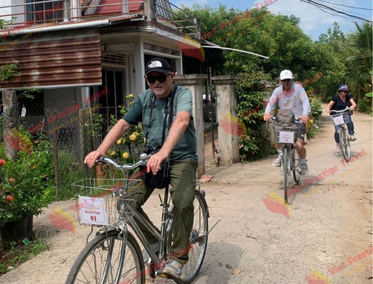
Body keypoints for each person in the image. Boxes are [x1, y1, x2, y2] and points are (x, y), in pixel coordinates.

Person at [84, 57, 198, 278]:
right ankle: (156, 243)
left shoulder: (182, 94)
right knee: (126, 202)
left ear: (171, 76)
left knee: (183, 202)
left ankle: (178, 256)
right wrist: (101, 150)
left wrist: (165, 152)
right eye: (151, 78)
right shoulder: (145, 98)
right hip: (151, 160)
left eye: (161, 77)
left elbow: (182, 120)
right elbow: (124, 123)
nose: (156, 82)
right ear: (146, 79)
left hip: (181, 158)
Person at [263, 70, 311, 175]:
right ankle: (281, 155)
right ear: (281, 81)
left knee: (298, 144)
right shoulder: (277, 91)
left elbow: (305, 102)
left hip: (298, 120)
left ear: (292, 80)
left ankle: (303, 161)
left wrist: (305, 114)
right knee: (277, 135)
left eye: (288, 80)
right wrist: (267, 113)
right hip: (283, 120)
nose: (286, 82)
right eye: (284, 80)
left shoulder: (298, 88)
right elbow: (271, 103)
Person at [326, 84, 357, 152]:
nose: (343, 93)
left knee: (349, 121)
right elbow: (329, 105)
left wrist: (352, 107)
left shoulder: (348, 97)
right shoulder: (335, 97)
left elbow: (354, 104)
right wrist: (328, 109)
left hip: (345, 112)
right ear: (339, 92)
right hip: (337, 114)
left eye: (345, 91)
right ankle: (338, 144)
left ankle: (351, 134)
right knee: (338, 130)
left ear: (347, 92)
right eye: (342, 91)